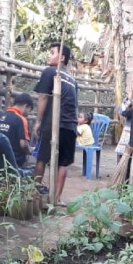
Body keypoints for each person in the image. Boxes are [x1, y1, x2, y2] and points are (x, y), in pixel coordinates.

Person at [34, 42, 78, 206]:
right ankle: (57, 198)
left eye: (52, 52)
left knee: (42, 158)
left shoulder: (50, 72)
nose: (49, 55)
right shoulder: (73, 80)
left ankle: (35, 194)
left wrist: (38, 122)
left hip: (53, 123)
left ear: (62, 58)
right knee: (63, 163)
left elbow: (43, 97)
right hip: (71, 126)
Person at [0, 93, 34, 168]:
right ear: (26, 106)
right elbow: (23, 145)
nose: (28, 114)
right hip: (13, 162)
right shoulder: (21, 119)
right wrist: (31, 150)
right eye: (29, 110)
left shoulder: (0, 116)